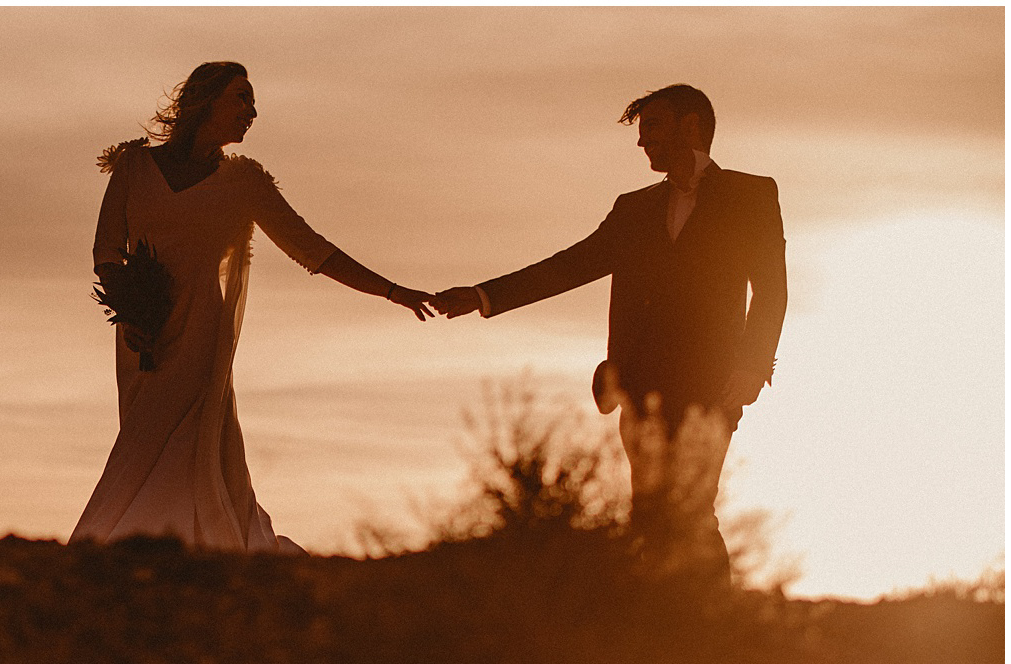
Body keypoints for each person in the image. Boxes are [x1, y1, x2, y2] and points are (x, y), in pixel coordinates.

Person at [71, 61, 434, 553]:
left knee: (188, 444)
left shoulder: (245, 182)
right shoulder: (135, 167)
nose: (253, 111)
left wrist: (394, 291)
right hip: (142, 334)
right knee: (146, 440)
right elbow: (107, 250)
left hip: (203, 331)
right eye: (242, 98)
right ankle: (167, 549)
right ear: (203, 100)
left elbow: (313, 250)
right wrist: (131, 313)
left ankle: (150, 549)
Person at [433, 83, 787, 585]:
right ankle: (660, 624)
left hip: (713, 384)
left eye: (654, 127)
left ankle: (713, 625)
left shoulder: (752, 195)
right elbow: (570, 266)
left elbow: (771, 290)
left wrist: (752, 366)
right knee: (647, 512)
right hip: (639, 385)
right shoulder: (633, 209)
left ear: (692, 126)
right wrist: (482, 295)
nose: (643, 143)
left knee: (691, 507)